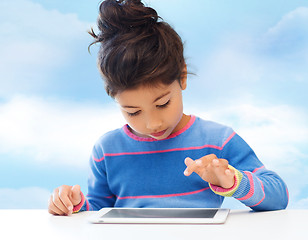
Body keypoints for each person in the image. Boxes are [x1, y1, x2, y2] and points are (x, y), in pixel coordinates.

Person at [48, 0, 288, 216]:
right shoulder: (107, 150)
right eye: (133, 112)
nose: (153, 124)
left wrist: (232, 181)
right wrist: (74, 204)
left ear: (182, 76)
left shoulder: (218, 140)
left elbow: (279, 196)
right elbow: (99, 210)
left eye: (162, 104)